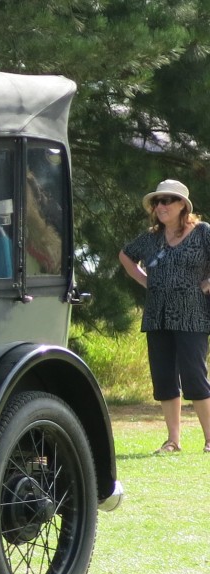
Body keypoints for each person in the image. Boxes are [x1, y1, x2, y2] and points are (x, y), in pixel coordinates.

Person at [118, 179, 210, 454]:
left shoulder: (202, 232)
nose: (160, 206)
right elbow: (125, 256)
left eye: (167, 200)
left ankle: (209, 440)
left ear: (183, 204)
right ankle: (173, 441)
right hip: (157, 315)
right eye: (157, 202)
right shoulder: (150, 237)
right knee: (164, 378)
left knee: (194, 376)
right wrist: (147, 282)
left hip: (191, 314)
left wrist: (207, 284)